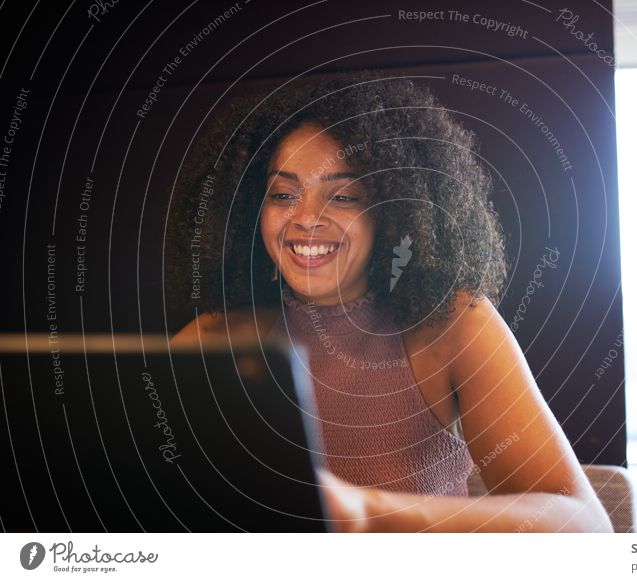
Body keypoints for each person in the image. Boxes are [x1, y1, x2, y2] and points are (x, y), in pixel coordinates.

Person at [169, 70, 611, 533]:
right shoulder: (213, 339)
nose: (305, 220)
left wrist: (364, 513)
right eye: (283, 194)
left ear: (395, 209)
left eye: (342, 196)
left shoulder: (453, 324)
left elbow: (584, 526)